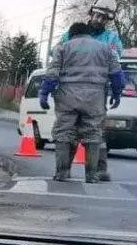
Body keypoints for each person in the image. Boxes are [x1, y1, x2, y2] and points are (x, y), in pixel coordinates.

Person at [41, 22, 126, 183]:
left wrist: (44, 94)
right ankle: (92, 175)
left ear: (72, 34)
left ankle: (62, 172)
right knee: (93, 133)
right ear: (87, 33)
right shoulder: (105, 49)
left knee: (64, 132)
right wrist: (117, 93)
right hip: (95, 98)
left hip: (67, 97)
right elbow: (116, 73)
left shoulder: (63, 48)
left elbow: (52, 73)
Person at [59, 0, 124, 181]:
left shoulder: (111, 39)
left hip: (96, 91)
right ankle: (63, 171)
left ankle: (98, 171)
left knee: (97, 132)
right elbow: (57, 53)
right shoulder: (73, 33)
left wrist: (116, 90)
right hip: (72, 90)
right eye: (97, 16)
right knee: (68, 130)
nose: (99, 20)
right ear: (91, 13)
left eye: (104, 18)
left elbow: (115, 61)